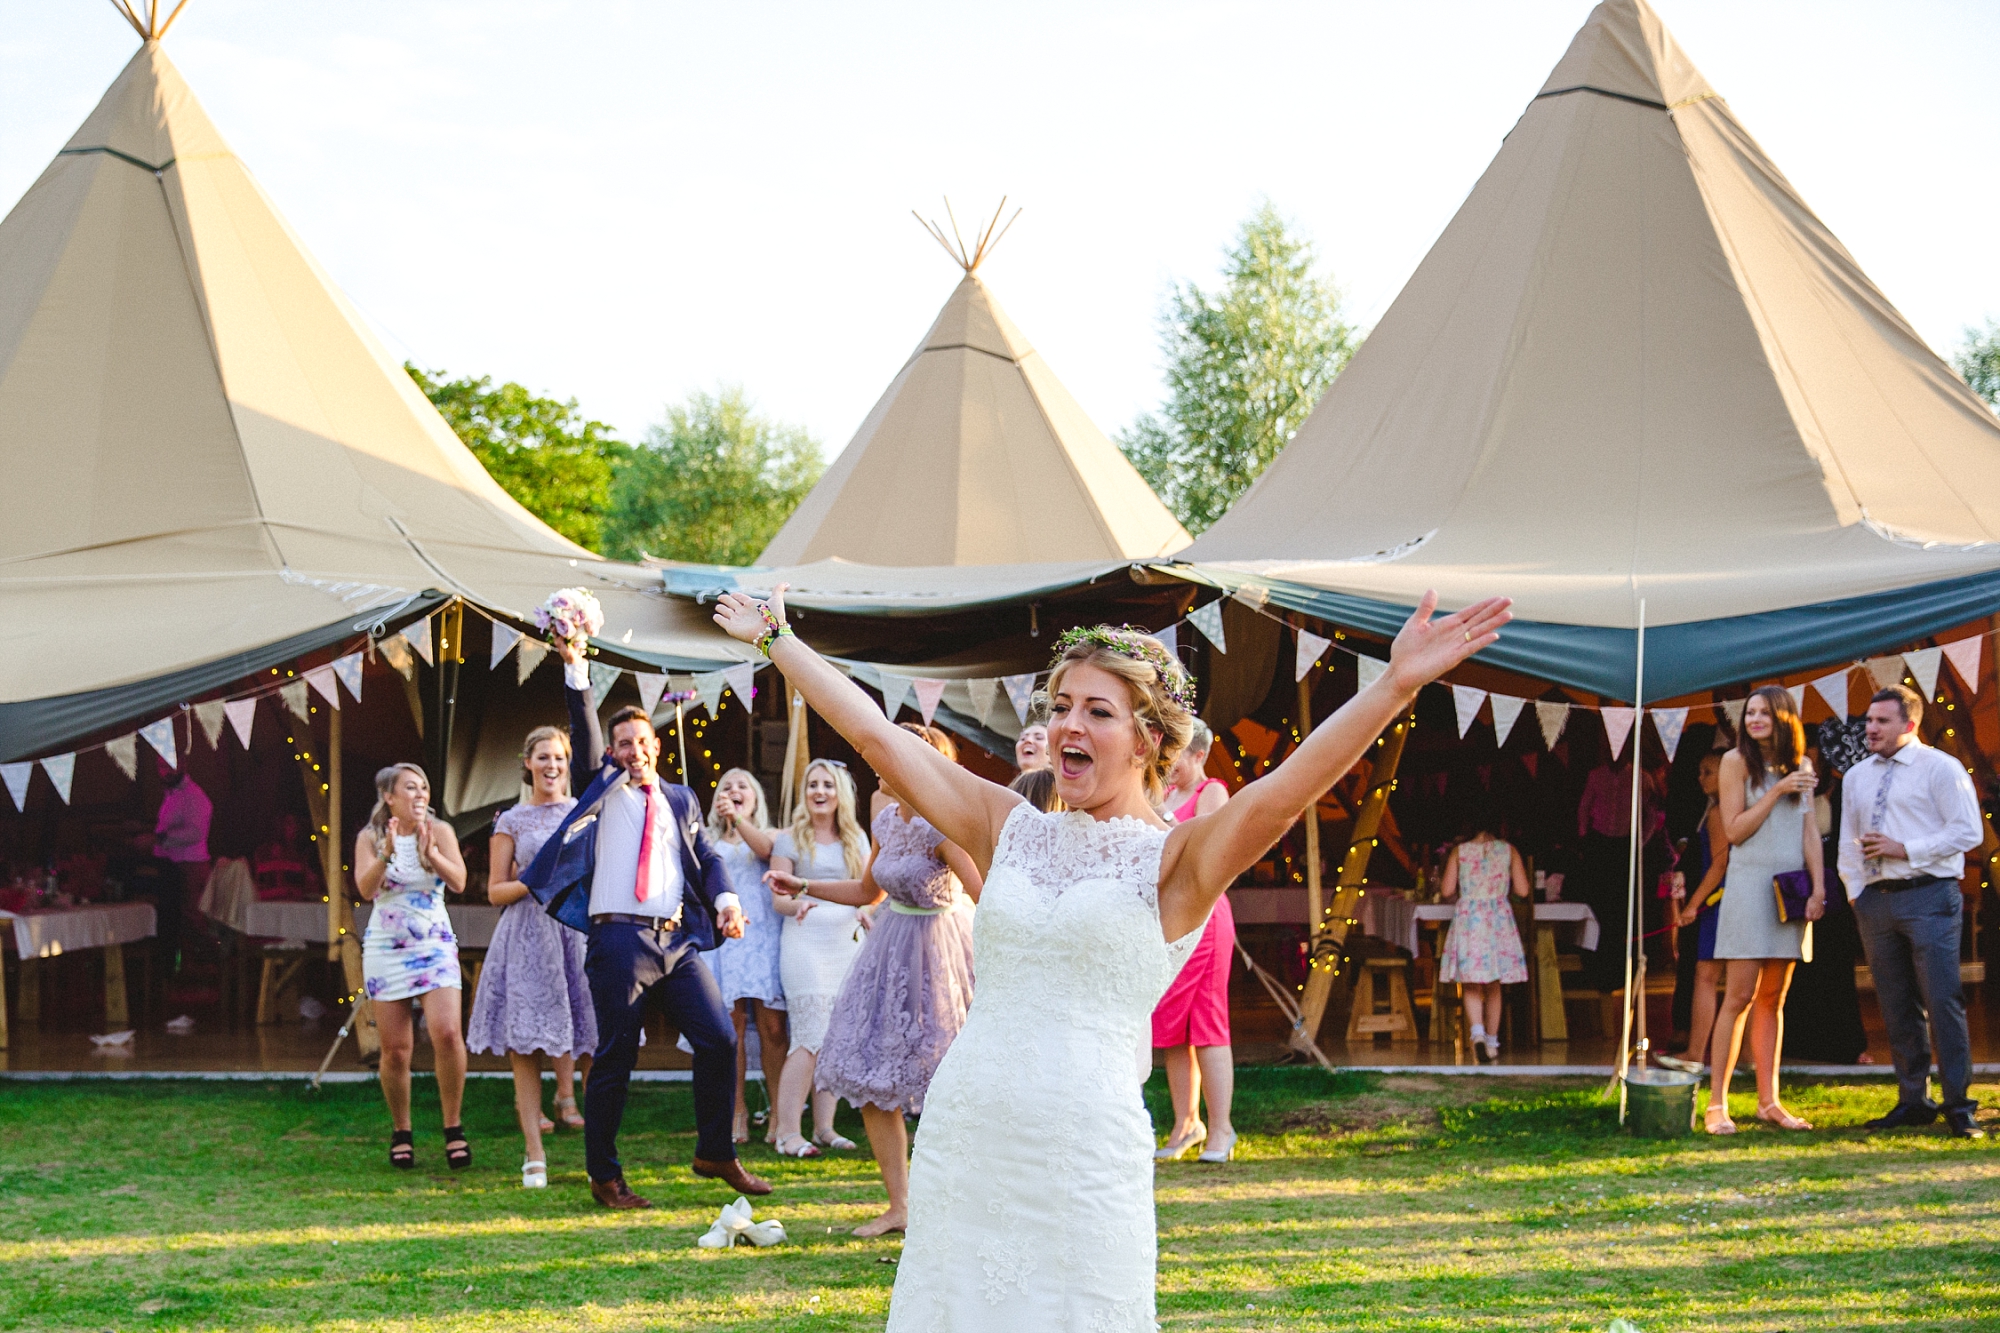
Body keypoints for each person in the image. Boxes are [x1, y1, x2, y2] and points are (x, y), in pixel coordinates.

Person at [713, 583, 1507, 1329]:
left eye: (1098, 710)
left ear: (1149, 738)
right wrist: (780, 640)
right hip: (970, 1130)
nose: (1069, 725)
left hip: (1082, 1149)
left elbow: (1288, 787)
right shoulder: (1008, 824)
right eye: (1061, 706)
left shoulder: (1175, 861)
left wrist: (1394, 686)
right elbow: (876, 737)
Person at [520, 645, 767, 1209]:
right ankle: (604, 1175)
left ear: (656, 747)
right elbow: (582, 737)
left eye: (641, 742)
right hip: (617, 939)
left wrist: (726, 899)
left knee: (719, 1038)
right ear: (613, 751)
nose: (634, 751)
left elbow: (706, 857)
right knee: (616, 1055)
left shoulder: (681, 799)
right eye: (623, 744)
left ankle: (715, 1152)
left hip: (676, 941)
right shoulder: (600, 791)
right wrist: (575, 665)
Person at [816, 723, 982, 1236]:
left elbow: (987, 892)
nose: (878, 764)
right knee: (872, 1078)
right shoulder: (887, 821)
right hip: (887, 954)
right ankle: (900, 1205)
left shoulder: (944, 828)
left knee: (948, 1083)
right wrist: (802, 885)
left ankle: (958, 1202)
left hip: (939, 956)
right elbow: (867, 891)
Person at [1838, 685, 1986, 1139]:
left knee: (1942, 1000)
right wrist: (1855, 890)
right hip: (1875, 901)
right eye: (1868, 720)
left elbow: (1968, 830)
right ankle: (1913, 1100)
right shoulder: (1856, 776)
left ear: (1910, 724)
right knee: (1896, 1004)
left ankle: (1959, 1104)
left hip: (1929, 895)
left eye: (1882, 721)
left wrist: (1907, 850)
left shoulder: (1941, 768)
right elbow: (1848, 838)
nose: (1871, 728)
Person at [467, 725, 596, 1189]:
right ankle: (534, 1154)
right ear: (527, 763)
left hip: (575, 935)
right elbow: (496, 891)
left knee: (589, 1041)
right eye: (542, 757)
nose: (551, 766)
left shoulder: (585, 814)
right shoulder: (512, 821)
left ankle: (596, 1151)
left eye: (559, 757)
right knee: (525, 1047)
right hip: (526, 938)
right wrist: (537, 879)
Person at [1705, 686, 1824, 1134]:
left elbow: (1808, 830)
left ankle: (1768, 1101)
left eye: (1763, 713)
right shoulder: (1735, 762)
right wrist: (1776, 791)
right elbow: (1734, 831)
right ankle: (1716, 1104)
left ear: (1783, 718)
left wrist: (1818, 889)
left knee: (1773, 999)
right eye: (1749, 713)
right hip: (1750, 887)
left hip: (1790, 890)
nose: (1754, 720)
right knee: (1738, 997)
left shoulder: (1803, 764)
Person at [353, 763, 470, 1170]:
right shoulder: (369, 838)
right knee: (397, 1050)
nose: (420, 795)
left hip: (434, 942)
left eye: (423, 787)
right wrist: (386, 853)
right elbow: (365, 889)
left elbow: (459, 882)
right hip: (387, 947)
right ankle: (402, 1130)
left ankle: (452, 1127)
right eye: (410, 788)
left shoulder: (440, 832)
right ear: (390, 797)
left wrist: (431, 855)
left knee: (448, 1031)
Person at [764, 757, 870, 1157]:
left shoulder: (857, 839)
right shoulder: (789, 839)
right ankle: (787, 1131)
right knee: (809, 1035)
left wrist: (868, 912)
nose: (819, 792)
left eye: (827, 785)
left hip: (846, 941)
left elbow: (868, 892)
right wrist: (799, 906)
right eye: (812, 785)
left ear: (840, 793)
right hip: (806, 940)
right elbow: (779, 898)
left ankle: (824, 1127)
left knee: (835, 1039)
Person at [1151, 720, 1239, 1160]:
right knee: (1169, 1025)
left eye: (1177, 755)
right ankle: (1186, 1123)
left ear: (1198, 755)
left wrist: (1162, 820)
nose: (1169, 764)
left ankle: (1221, 1128)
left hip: (1205, 917)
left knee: (1207, 1022)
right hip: (1169, 919)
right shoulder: (1164, 794)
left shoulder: (1212, 793)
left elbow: (1206, 846)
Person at [704, 768, 788, 1145]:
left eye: (743, 786)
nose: (734, 790)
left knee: (773, 1028)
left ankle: (779, 1112)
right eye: (727, 787)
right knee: (732, 1028)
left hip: (764, 935)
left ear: (755, 799)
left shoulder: (771, 835)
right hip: (728, 938)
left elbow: (766, 852)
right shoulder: (707, 840)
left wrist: (738, 820)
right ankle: (736, 1109)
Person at [1436, 820, 1530, 1063]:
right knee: (1494, 982)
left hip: (1470, 920)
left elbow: (1446, 890)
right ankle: (1491, 1042)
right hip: (1498, 919)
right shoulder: (1508, 850)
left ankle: (1476, 1034)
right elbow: (1523, 889)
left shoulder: (1461, 851)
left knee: (1471, 982)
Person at [1660, 749, 1730, 1073]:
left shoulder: (1718, 812)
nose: (1700, 778)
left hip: (1719, 901)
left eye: (1708, 772)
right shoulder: (1725, 808)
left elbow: (1719, 864)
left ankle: (1695, 1053)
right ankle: (1699, 1052)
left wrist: (1692, 905)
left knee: (1705, 975)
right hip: (1722, 899)